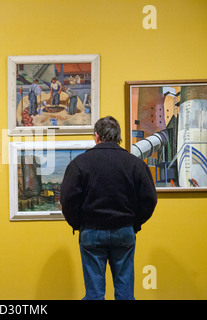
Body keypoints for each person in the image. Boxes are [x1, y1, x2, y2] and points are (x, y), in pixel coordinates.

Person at [60, 116, 157, 300]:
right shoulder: (135, 164)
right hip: (124, 231)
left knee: (94, 295)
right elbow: (149, 200)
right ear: (118, 137)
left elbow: (67, 200)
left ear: (96, 136)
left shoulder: (79, 164)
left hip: (91, 232)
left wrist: (80, 224)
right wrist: (133, 223)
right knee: (125, 294)